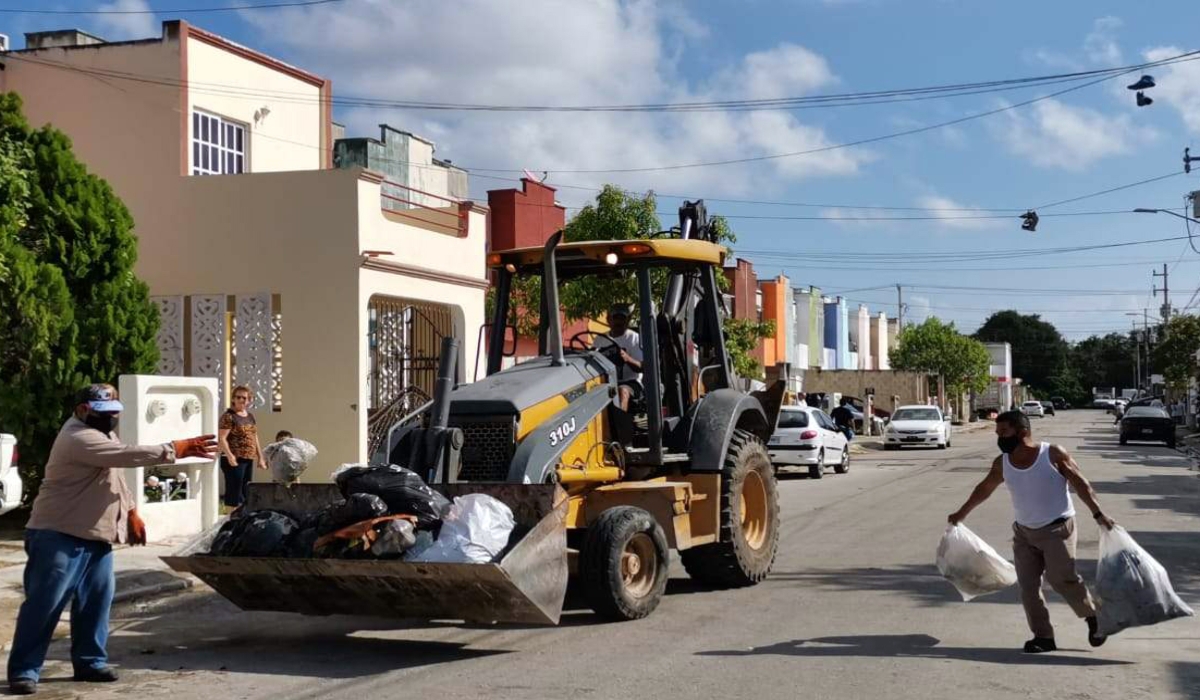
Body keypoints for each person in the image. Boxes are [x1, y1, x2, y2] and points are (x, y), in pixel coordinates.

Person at [7, 384, 217, 695]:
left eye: (114, 413)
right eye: (104, 413)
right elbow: (124, 456)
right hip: (58, 534)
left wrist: (131, 510)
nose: (111, 419)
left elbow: (114, 475)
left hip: (96, 535)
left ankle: (90, 661)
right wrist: (174, 449)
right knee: (45, 605)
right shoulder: (77, 437)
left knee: (97, 601)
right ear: (82, 410)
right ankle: (24, 670)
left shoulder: (103, 434)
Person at [948, 410, 1115, 654]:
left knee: (1062, 580)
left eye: (1004, 432)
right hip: (1024, 533)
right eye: (997, 432)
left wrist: (1099, 514)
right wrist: (961, 513)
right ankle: (1043, 637)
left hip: (1058, 528)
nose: (999, 437)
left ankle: (1093, 617)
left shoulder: (1052, 454)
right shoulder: (1002, 463)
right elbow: (984, 488)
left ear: (1022, 432)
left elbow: (1081, 484)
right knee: (1028, 587)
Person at [217, 385, 267, 509]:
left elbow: (254, 437)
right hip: (234, 459)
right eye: (238, 397)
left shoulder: (250, 416)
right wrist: (230, 456)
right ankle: (232, 520)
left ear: (249, 400)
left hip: (248, 458)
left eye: (245, 398)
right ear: (233, 399)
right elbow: (222, 438)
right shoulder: (228, 416)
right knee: (234, 492)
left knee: (245, 490)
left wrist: (260, 457)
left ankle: (241, 519)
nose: (241, 400)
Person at [593, 304, 643, 411]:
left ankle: (621, 426)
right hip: (606, 382)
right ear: (608, 320)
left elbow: (641, 367)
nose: (618, 322)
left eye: (622, 318)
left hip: (630, 382)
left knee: (622, 391)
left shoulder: (634, 338)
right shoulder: (599, 339)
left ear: (628, 320)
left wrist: (627, 359)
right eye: (615, 318)